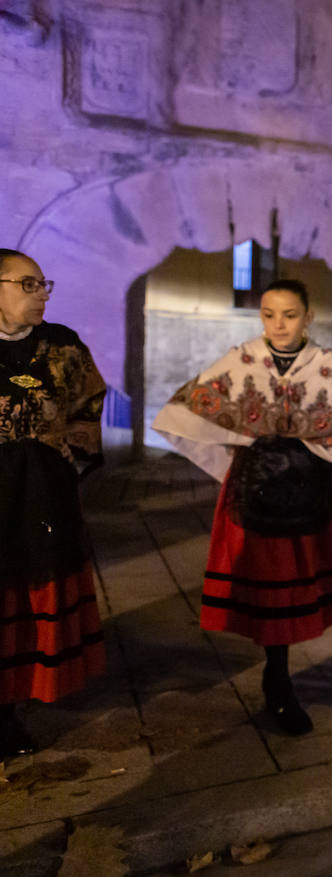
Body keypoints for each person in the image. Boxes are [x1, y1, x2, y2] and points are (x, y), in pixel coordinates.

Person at [153, 278, 332, 736]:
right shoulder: (243, 360)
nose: (278, 324)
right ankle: (278, 677)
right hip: (254, 492)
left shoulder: (326, 367)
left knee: (293, 586)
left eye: (289, 314)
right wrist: (239, 439)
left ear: (309, 317)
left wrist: (325, 447)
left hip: (307, 493)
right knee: (264, 582)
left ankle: (279, 677)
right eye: (268, 314)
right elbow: (189, 409)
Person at [0, 248, 107, 758]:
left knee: (27, 599)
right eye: (27, 284)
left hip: (42, 497)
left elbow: (87, 405)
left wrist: (66, 463)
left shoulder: (63, 347)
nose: (40, 294)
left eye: (44, 284)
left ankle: (8, 711)